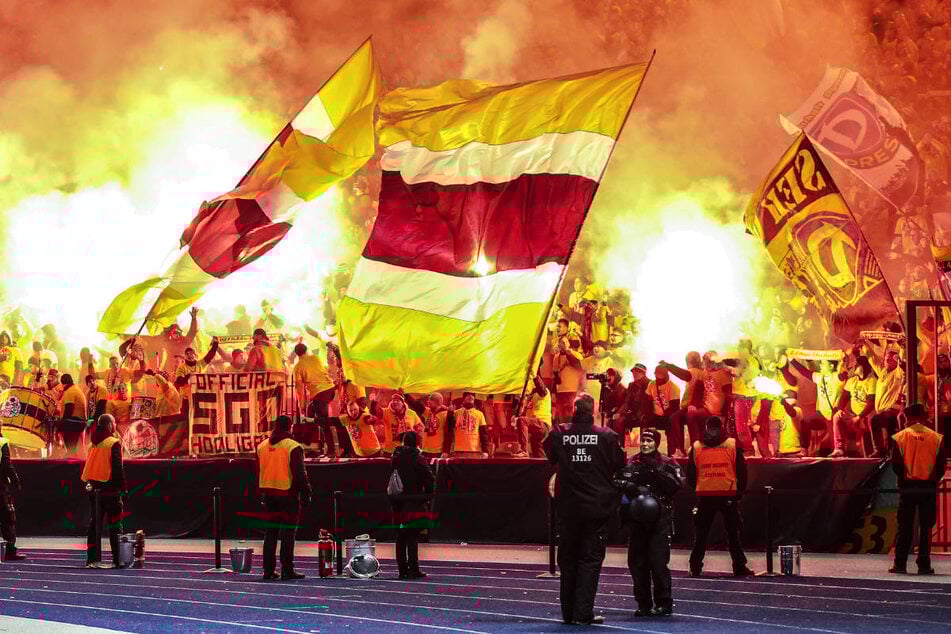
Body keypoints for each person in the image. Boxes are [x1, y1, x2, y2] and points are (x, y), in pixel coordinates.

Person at [543, 395, 626, 625]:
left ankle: (569, 614)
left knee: (568, 559)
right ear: (595, 410)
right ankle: (583, 613)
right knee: (589, 560)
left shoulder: (559, 432)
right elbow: (619, 463)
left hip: (568, 506)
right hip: (596, 507)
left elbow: (550, 456)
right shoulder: (607, 435)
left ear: (573, 408)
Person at [614, 428, 684, 617]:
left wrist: (656, 473)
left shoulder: (668, 463)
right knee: (637, 564)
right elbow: (616, 482)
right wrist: (627, 486)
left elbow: (678, 484)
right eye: (643, 440)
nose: (645, 444)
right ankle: (643, 603)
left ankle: (664, 603)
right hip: (636, 521)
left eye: (649, 441)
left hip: (659, 521)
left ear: (656, 442)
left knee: (658, 562)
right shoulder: (631, 462)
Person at [686, 416, 754, 577]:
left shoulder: (696, 446)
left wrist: (697, 487)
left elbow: (690, 473)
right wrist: (739, 491)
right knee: (733, 533)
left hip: (705, 493)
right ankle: (739, 566)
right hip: (728, 492)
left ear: (706, 426)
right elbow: (741, 471)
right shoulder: (731, 444)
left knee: (701, 534)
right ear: (722, 426)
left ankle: (695, 567)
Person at [889, 403, 946, 575]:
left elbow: (896, 465)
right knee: (926, 527)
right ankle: (924, 564)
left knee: (904, 526)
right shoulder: (936, 438)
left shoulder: (900, 437)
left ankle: (900, 563)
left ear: (908, 418)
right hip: (928, 488)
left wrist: (906, 477)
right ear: (923, 417)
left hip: (907, 488)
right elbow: (941, 466)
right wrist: (931, 479)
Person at [256, 415, 311, 580]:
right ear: (290, 427)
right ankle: (287, 569)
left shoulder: (261, 446)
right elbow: (300, 474)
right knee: (288, 534)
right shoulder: (293, 446)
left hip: (269, 495)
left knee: (270, 533)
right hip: (287, 495)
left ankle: (268, 570)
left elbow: (257, 471)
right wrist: (306, 493)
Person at [81, 414, 126, 567]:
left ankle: (92, 559)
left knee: (95, 525)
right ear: (109, 425)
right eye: (114, 422)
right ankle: (117, 559)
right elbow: (117, 468)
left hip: (95, 490)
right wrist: (123, 489)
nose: (115, 425)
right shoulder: (113, 443)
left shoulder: (92, 444)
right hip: (111, 490)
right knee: (115, 526)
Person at [390, 430, 435, 579]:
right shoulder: (418, 458)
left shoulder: (395, 457)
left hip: (397, 501)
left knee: (401, 536)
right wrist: (427, 496)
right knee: (412, 536)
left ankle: (402, 570)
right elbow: (429, 479)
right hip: (414, 500)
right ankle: (414, 568)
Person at [292, 343, 336, 454]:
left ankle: (331, 450)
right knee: (311, 409)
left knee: (324, 421)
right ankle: (307, 438)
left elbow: (299, 388)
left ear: (296, 354)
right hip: (330, 390)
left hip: (319, 393)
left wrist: (301, 405)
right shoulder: (315, 358)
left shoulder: (298, 366)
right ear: (306, 350)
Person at [831, 356, 877, 457]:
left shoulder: (871, 381)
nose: (855, 366)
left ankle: (869, 455)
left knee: (868, 427)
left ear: (863, 367)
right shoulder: (852, 381)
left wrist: (858, 418)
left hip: (865, 416)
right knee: (837, 417)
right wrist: (840, 409)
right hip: (853, 415)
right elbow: (844, 398)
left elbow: (871, 403)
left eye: (857, 364)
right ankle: (839, 448)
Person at [0, 422, 25, 560]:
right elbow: (6, 464)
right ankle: (10, 550)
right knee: (8, 519)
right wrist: (15, 481)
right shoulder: (2, 442)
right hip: (1, 487)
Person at [447, 392, 489, 457]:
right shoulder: (456, 413)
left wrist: (485, 451)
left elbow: (484, 434)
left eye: (472, 395)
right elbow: (449, 428)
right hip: (458, 451)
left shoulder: (480, 414)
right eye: (468, 395)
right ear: (464, 399)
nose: (470, 396)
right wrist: (450, 414)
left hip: (475, 451)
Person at [59, 374, 88, 457]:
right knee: (72, 447)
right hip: (79, 421)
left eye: (62, 384)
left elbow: (69, 408)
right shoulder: (76, 389)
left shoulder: (70, 392)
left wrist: (62, 423)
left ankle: (68, 454)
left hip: (75, 421)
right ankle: (70, 453)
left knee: (56, 427)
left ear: (64, 384)